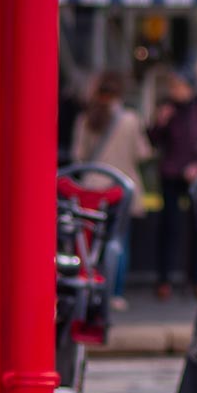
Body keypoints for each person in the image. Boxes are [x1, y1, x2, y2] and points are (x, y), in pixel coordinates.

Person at [71, 71, 152, 310]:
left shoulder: (86, 119)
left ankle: (90, 286)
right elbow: (143, 153)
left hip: (93, 188)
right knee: (118, 242)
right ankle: (114, 293)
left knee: (90, 241)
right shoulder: (130, 119)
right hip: (121, 186)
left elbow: (78, 155)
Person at [148, 71, 197, 300]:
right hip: (171, 173)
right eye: (172, 86)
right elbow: (152, 141)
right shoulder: (168, 108)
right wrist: (160, 122)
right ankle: (164, 279)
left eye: (179, 86)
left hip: (195, 175)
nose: (175, 91)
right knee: (169, 227)